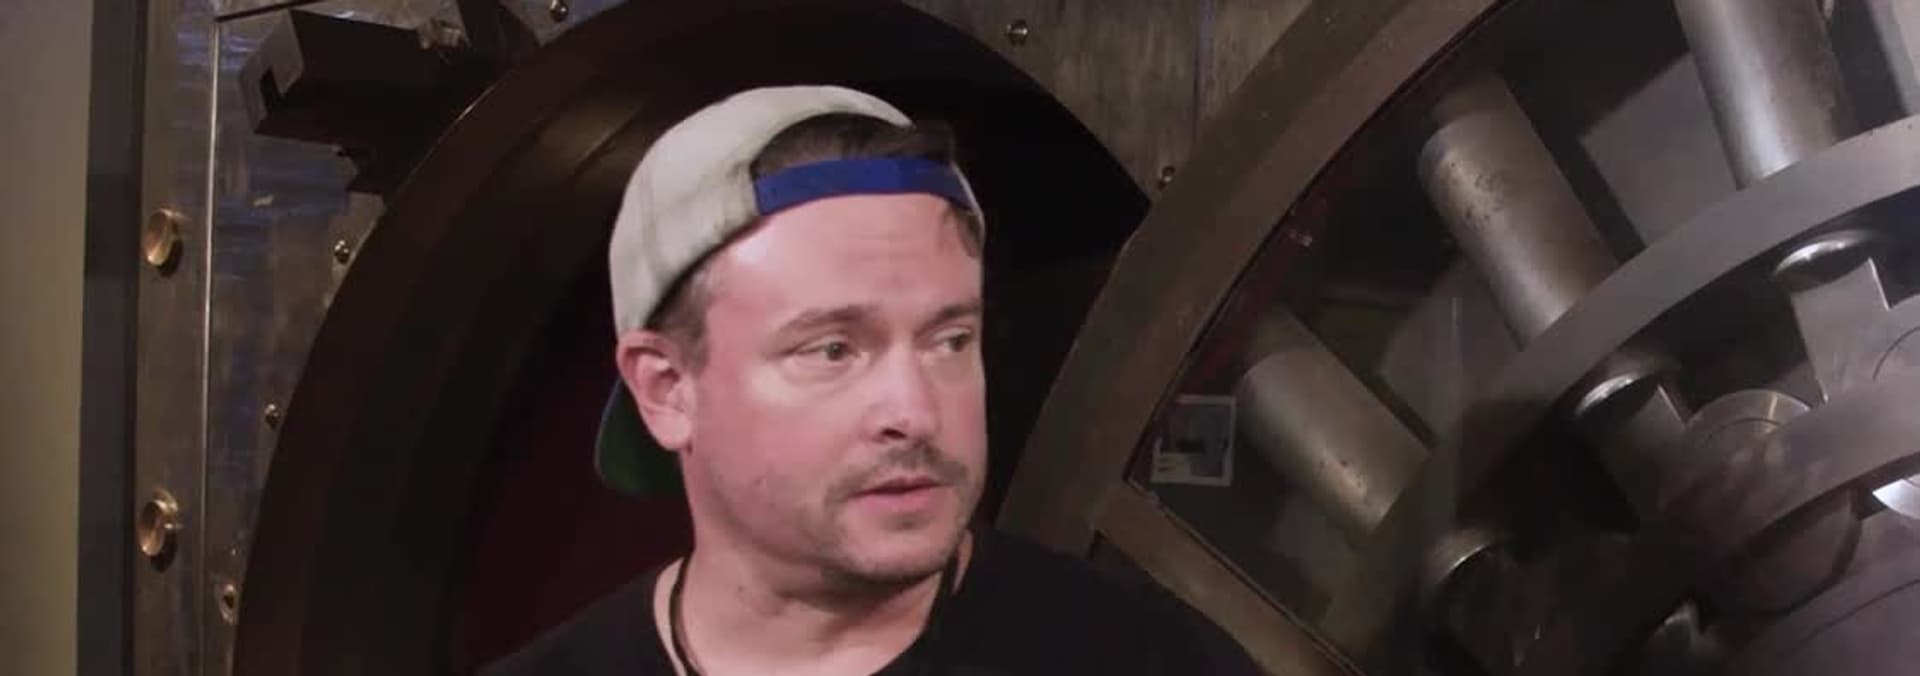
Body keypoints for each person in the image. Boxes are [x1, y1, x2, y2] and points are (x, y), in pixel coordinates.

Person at [483, 85, 1263, 675]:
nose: (914, 412)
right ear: (665, 389)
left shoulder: (1141, 657)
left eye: (949, 340)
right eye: (832, 350)